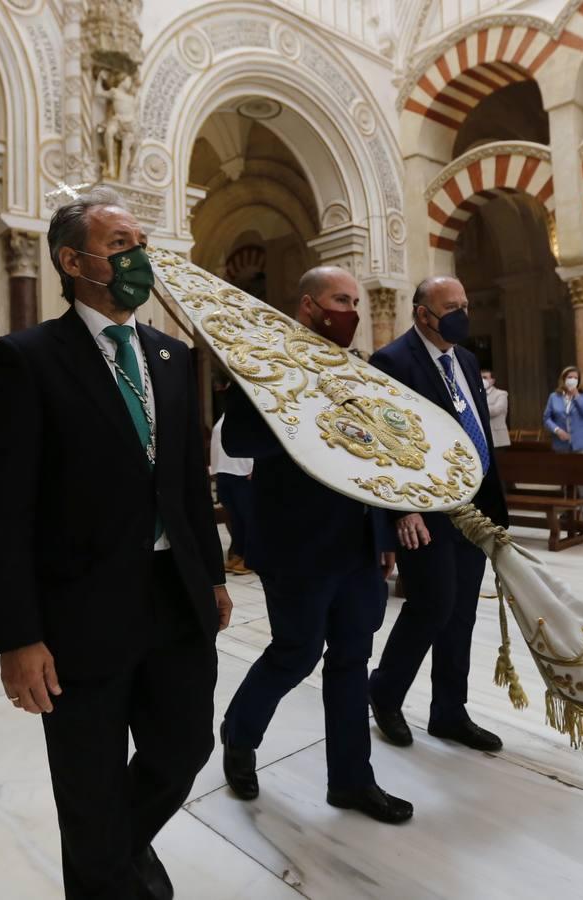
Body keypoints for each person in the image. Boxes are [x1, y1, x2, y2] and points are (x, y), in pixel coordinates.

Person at [0, 186, 231, 900]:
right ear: (71, 261)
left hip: (173, 598)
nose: (138, 257)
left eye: (141, 243)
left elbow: (185, 483)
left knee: (183, 748)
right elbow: (3, 511)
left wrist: (210, 576)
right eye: (120, 245)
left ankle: (115, 856)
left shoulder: (172, 357)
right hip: (79, 609)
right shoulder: (28, 358)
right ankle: (112, 876)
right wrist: (17, 636)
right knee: (88, 782)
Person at [219, 265, 410, 825]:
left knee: (352, 659)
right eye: (339, 299)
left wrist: (388, 524)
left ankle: (351, 781)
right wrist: (306, 405)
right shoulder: (269, 362)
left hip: (358, 547)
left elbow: (380, 452)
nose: (350, 310)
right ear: (308, 305)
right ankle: (239, 734)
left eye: (355, 299)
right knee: (296, 652)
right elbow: (239, 438)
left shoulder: (360, 369)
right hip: (298, 544)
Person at [368, 276, 509, 755]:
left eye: (465, 305)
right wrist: (402, 510)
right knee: (432, 605)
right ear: (422, 313)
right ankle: (385, 693)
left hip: (473, 509)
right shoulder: (391, 361)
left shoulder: (466, 360)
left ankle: (450, 711)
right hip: (425, 511)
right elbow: (386, 447)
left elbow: (477, 433)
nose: (461, 314)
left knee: (463, 613)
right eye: (452, 306)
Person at [209, 408, 254, 575]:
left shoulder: (248, 415)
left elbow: (253, 443)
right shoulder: (224, 416)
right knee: (235, 518)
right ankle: (239, 553)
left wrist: (255, 468)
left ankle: (250, 559)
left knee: (247, 517)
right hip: (224, 472)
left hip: (242, 473)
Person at [543, 366, 583, 455]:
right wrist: (557, 430)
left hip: (581, 444)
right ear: (563, 379)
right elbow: (546, 418)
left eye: (576, 378)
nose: (573, 380)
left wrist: (577, 396)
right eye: (570, 377)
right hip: (561, 444)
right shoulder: (554, 397)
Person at [482, 369, 510, 449]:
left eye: (485, 377)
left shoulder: (501, 394)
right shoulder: (478, 395)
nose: (482, 380)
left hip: (498, 439)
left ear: (493, 380)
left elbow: (496, 410)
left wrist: (481, 407)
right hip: (484, 438)